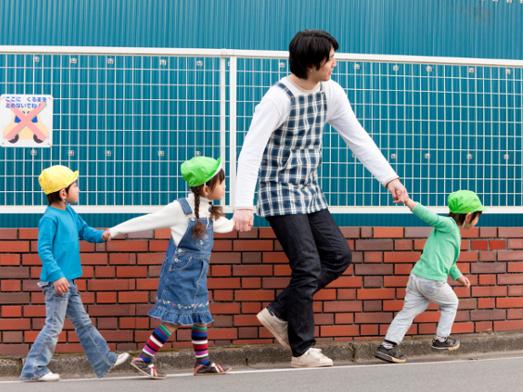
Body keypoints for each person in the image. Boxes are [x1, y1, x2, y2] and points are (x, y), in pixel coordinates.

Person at [233, 30, 408, 368]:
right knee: (308, 266)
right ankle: (301, 350)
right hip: (279, 191)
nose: (335, 63)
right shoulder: (277, 99)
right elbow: (251, 151)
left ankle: (278, 311)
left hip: (309, 189)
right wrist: (243, 203)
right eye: (330, 59)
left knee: (337, 256)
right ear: (312, 64)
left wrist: (390, 178)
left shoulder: (331, 92)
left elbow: (357, 137)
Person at [108, 156, 234, 379]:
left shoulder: (210, 212)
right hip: (180, 276)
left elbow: (226, 226)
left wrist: (245, 217)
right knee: (174, 320)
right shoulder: (180, 209)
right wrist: (115, 230)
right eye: (221, 182)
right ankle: (144, 359)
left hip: (197, 277)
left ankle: (202, 362)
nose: (224, 186)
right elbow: (148, 221)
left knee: (200, 316)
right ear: (206, 187)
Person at [20, 165, 129, 382]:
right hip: (57, 282)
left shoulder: (69, 212)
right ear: (62, 193)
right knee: (53, 325)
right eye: (75, 185)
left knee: (83, 323)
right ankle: (34, 368)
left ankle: (104, 360)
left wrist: (103, 236)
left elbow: (85, 231)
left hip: (68, 281)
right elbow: (44, 249)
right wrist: (57, 275)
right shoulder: (50, 218)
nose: (78, 189)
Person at [374, 190, 484, 363]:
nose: (478, 220)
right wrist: (408, 202)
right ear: (469, 216)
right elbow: (430, 217)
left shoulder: (448, 230)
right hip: (432, 281)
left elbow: (449, 261)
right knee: (451, 303)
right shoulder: (448, 225)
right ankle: (441, 340)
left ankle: (387, 347)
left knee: (407, 312)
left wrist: (458, 276)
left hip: (417, 278)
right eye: (478, 216)